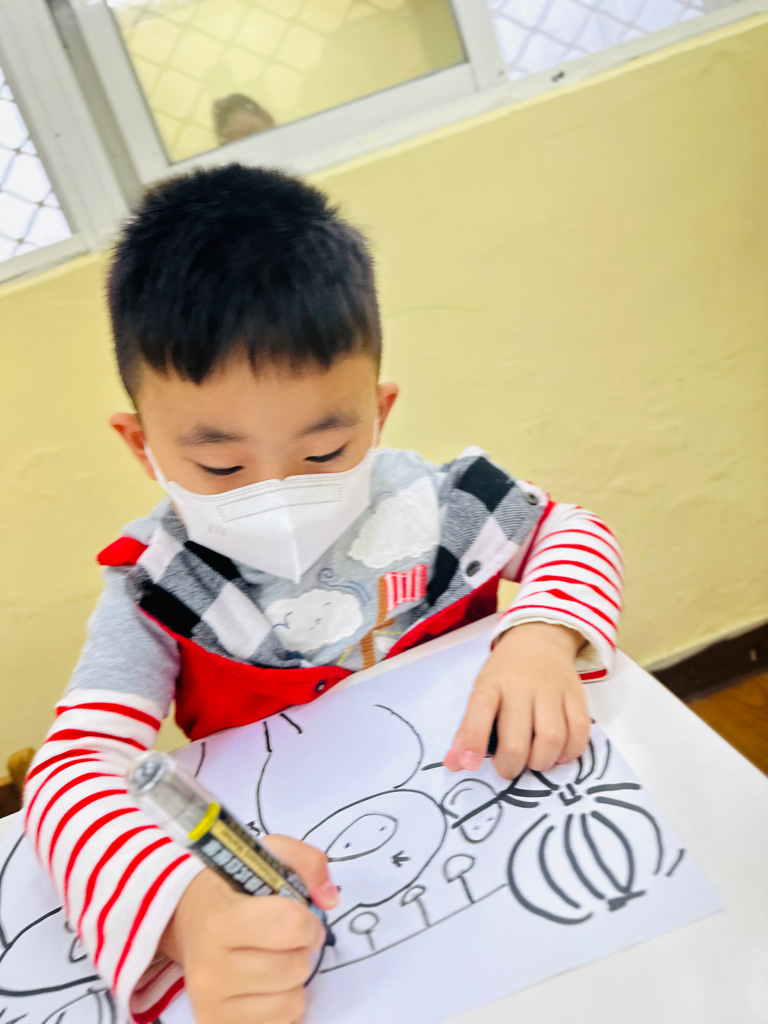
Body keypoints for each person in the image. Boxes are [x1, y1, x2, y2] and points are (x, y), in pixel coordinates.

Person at [23, 165, 623, 1024]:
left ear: (378, 411)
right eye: (220, 464)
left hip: (507, 848)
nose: (276, 492)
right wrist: (182, 910)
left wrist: (540, 636)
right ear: (140, 443)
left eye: (324, 452)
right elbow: (72, 769)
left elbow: (572, 530)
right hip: (315, 925)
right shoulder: (158, 586)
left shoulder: (436, 505)